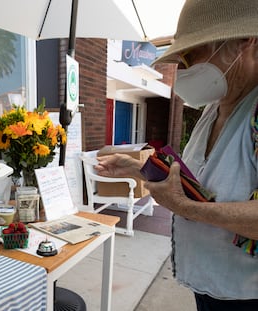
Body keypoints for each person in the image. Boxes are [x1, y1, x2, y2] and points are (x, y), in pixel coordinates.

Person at [96, 0, 258, 310]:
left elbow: (192, 202)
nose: (180, 69)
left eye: (190, 54)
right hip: (211, 286)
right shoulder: (214, 110)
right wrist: (138, 168)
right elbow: (197, 184)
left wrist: (185, 208)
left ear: (244, 42)